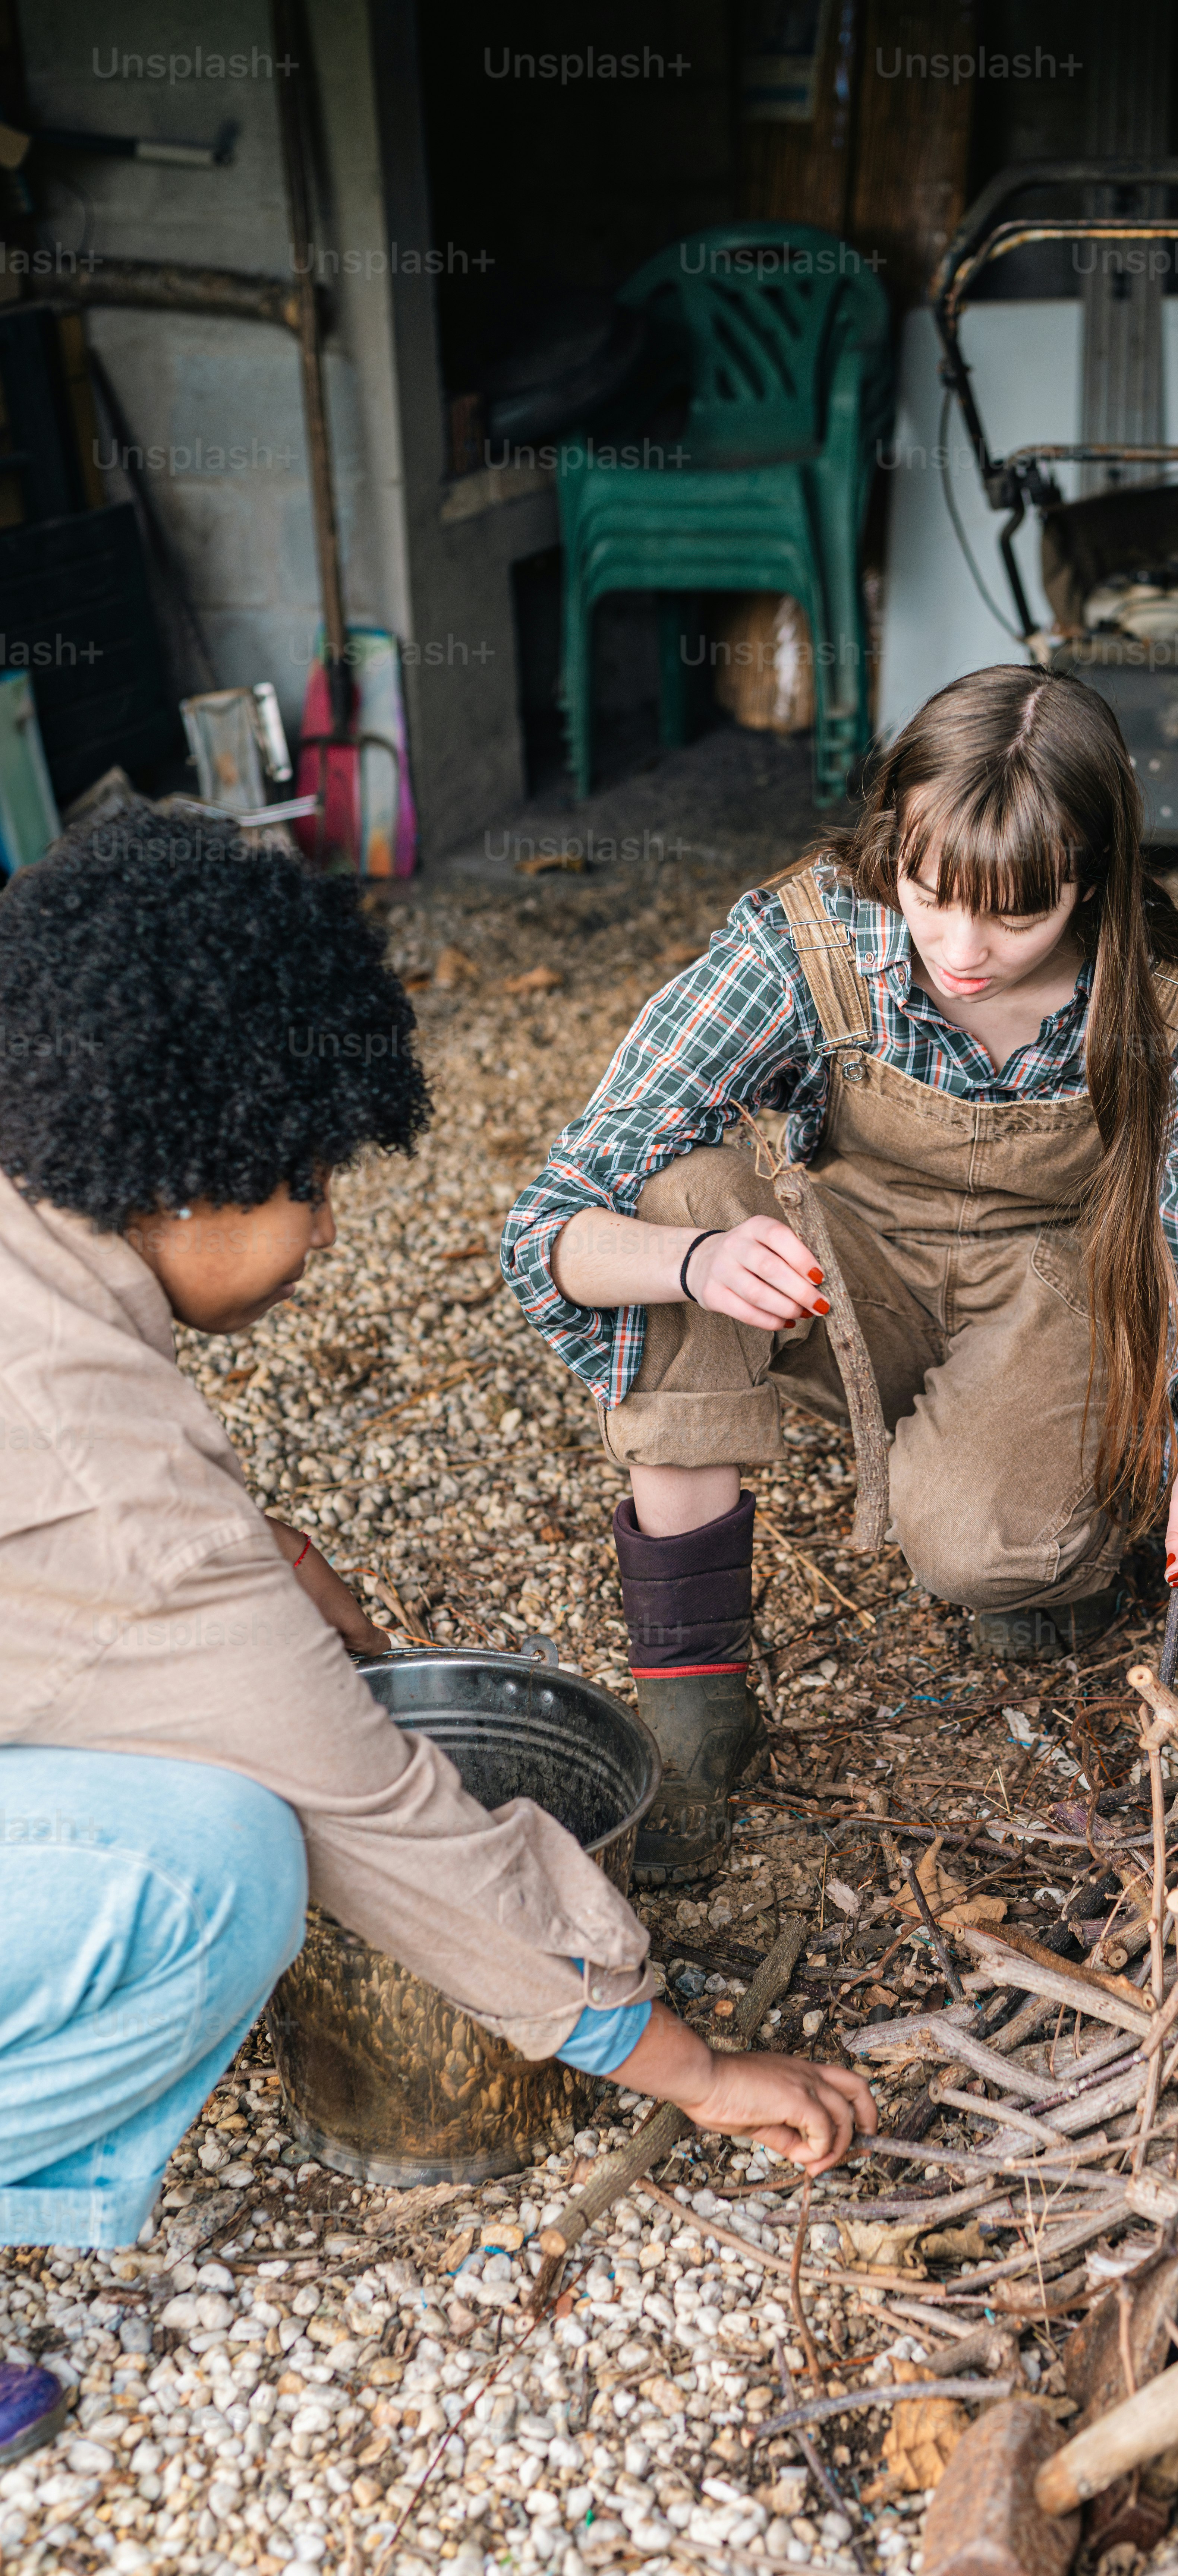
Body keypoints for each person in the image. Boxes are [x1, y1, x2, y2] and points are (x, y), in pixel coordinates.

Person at [0, 809, 872, 2459]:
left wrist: (265, 1560)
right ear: (183, 1170)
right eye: (314, 1183)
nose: (331, 1230)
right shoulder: (109, 1484)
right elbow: (385, 1818)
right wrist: (693, 2070)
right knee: (219, 1867)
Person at [504, 666, 1178, 1883]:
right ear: (895, 847)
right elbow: (553, 1224)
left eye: (1018, 915)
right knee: (680, 1193)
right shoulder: (808, 942)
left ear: (1091, 879)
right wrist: (697, 1260)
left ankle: (1044, 1515)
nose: (963, 952)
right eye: (931, 897)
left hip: (1056, 1293)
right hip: (848, 1273)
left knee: (985, 1556)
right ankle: (694, 1713)